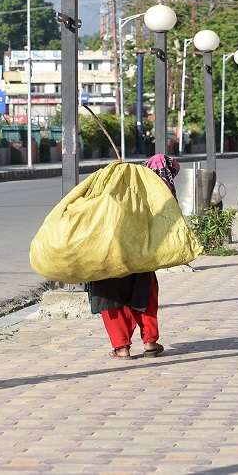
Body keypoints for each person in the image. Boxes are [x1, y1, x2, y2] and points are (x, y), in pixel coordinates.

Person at [86, 154, 177, 359]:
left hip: (107, 257)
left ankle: (121, 347)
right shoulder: (145, 195)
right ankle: (150, 343)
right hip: (139, 256)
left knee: (110, 302)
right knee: (144, 298)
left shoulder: (98, 198)